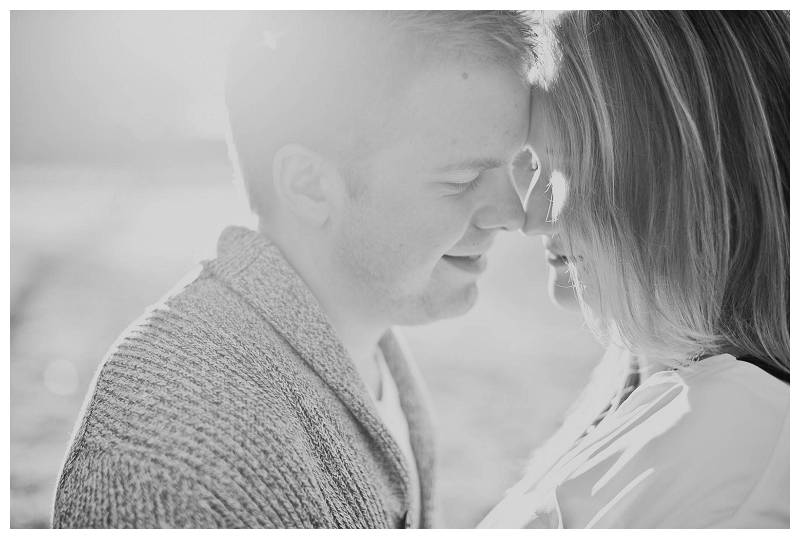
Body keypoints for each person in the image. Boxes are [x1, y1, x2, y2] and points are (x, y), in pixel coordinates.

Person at [51, 11, 534, 528]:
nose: (515, 215)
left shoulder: (367, 339)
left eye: (515, 166)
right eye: (461, 180)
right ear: (308, 185)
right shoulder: (174, 462)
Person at [480, 10, 789, 528]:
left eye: (563, 169)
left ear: (674, 178)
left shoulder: (734, 433)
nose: (529, 218)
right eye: (531, 165)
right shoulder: (658, 399)